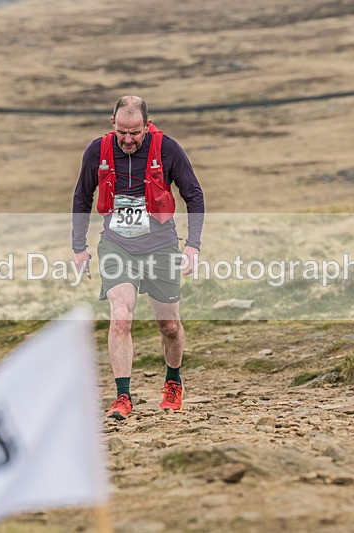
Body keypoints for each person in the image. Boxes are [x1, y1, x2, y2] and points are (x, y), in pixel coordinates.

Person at [72, 95, 204, 420]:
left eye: (135, 133)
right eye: (122, 133)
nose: (128, 140)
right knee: (121, 317)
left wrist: (193, 245)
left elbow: (194, 194)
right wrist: (79, 248)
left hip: (160, 245)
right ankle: (122, 396)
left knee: (169, 325)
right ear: (112, 124)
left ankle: (173, 381)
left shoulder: (168, 149)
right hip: (117, 246)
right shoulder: (97, 152)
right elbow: (81, 196)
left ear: (147, 124)